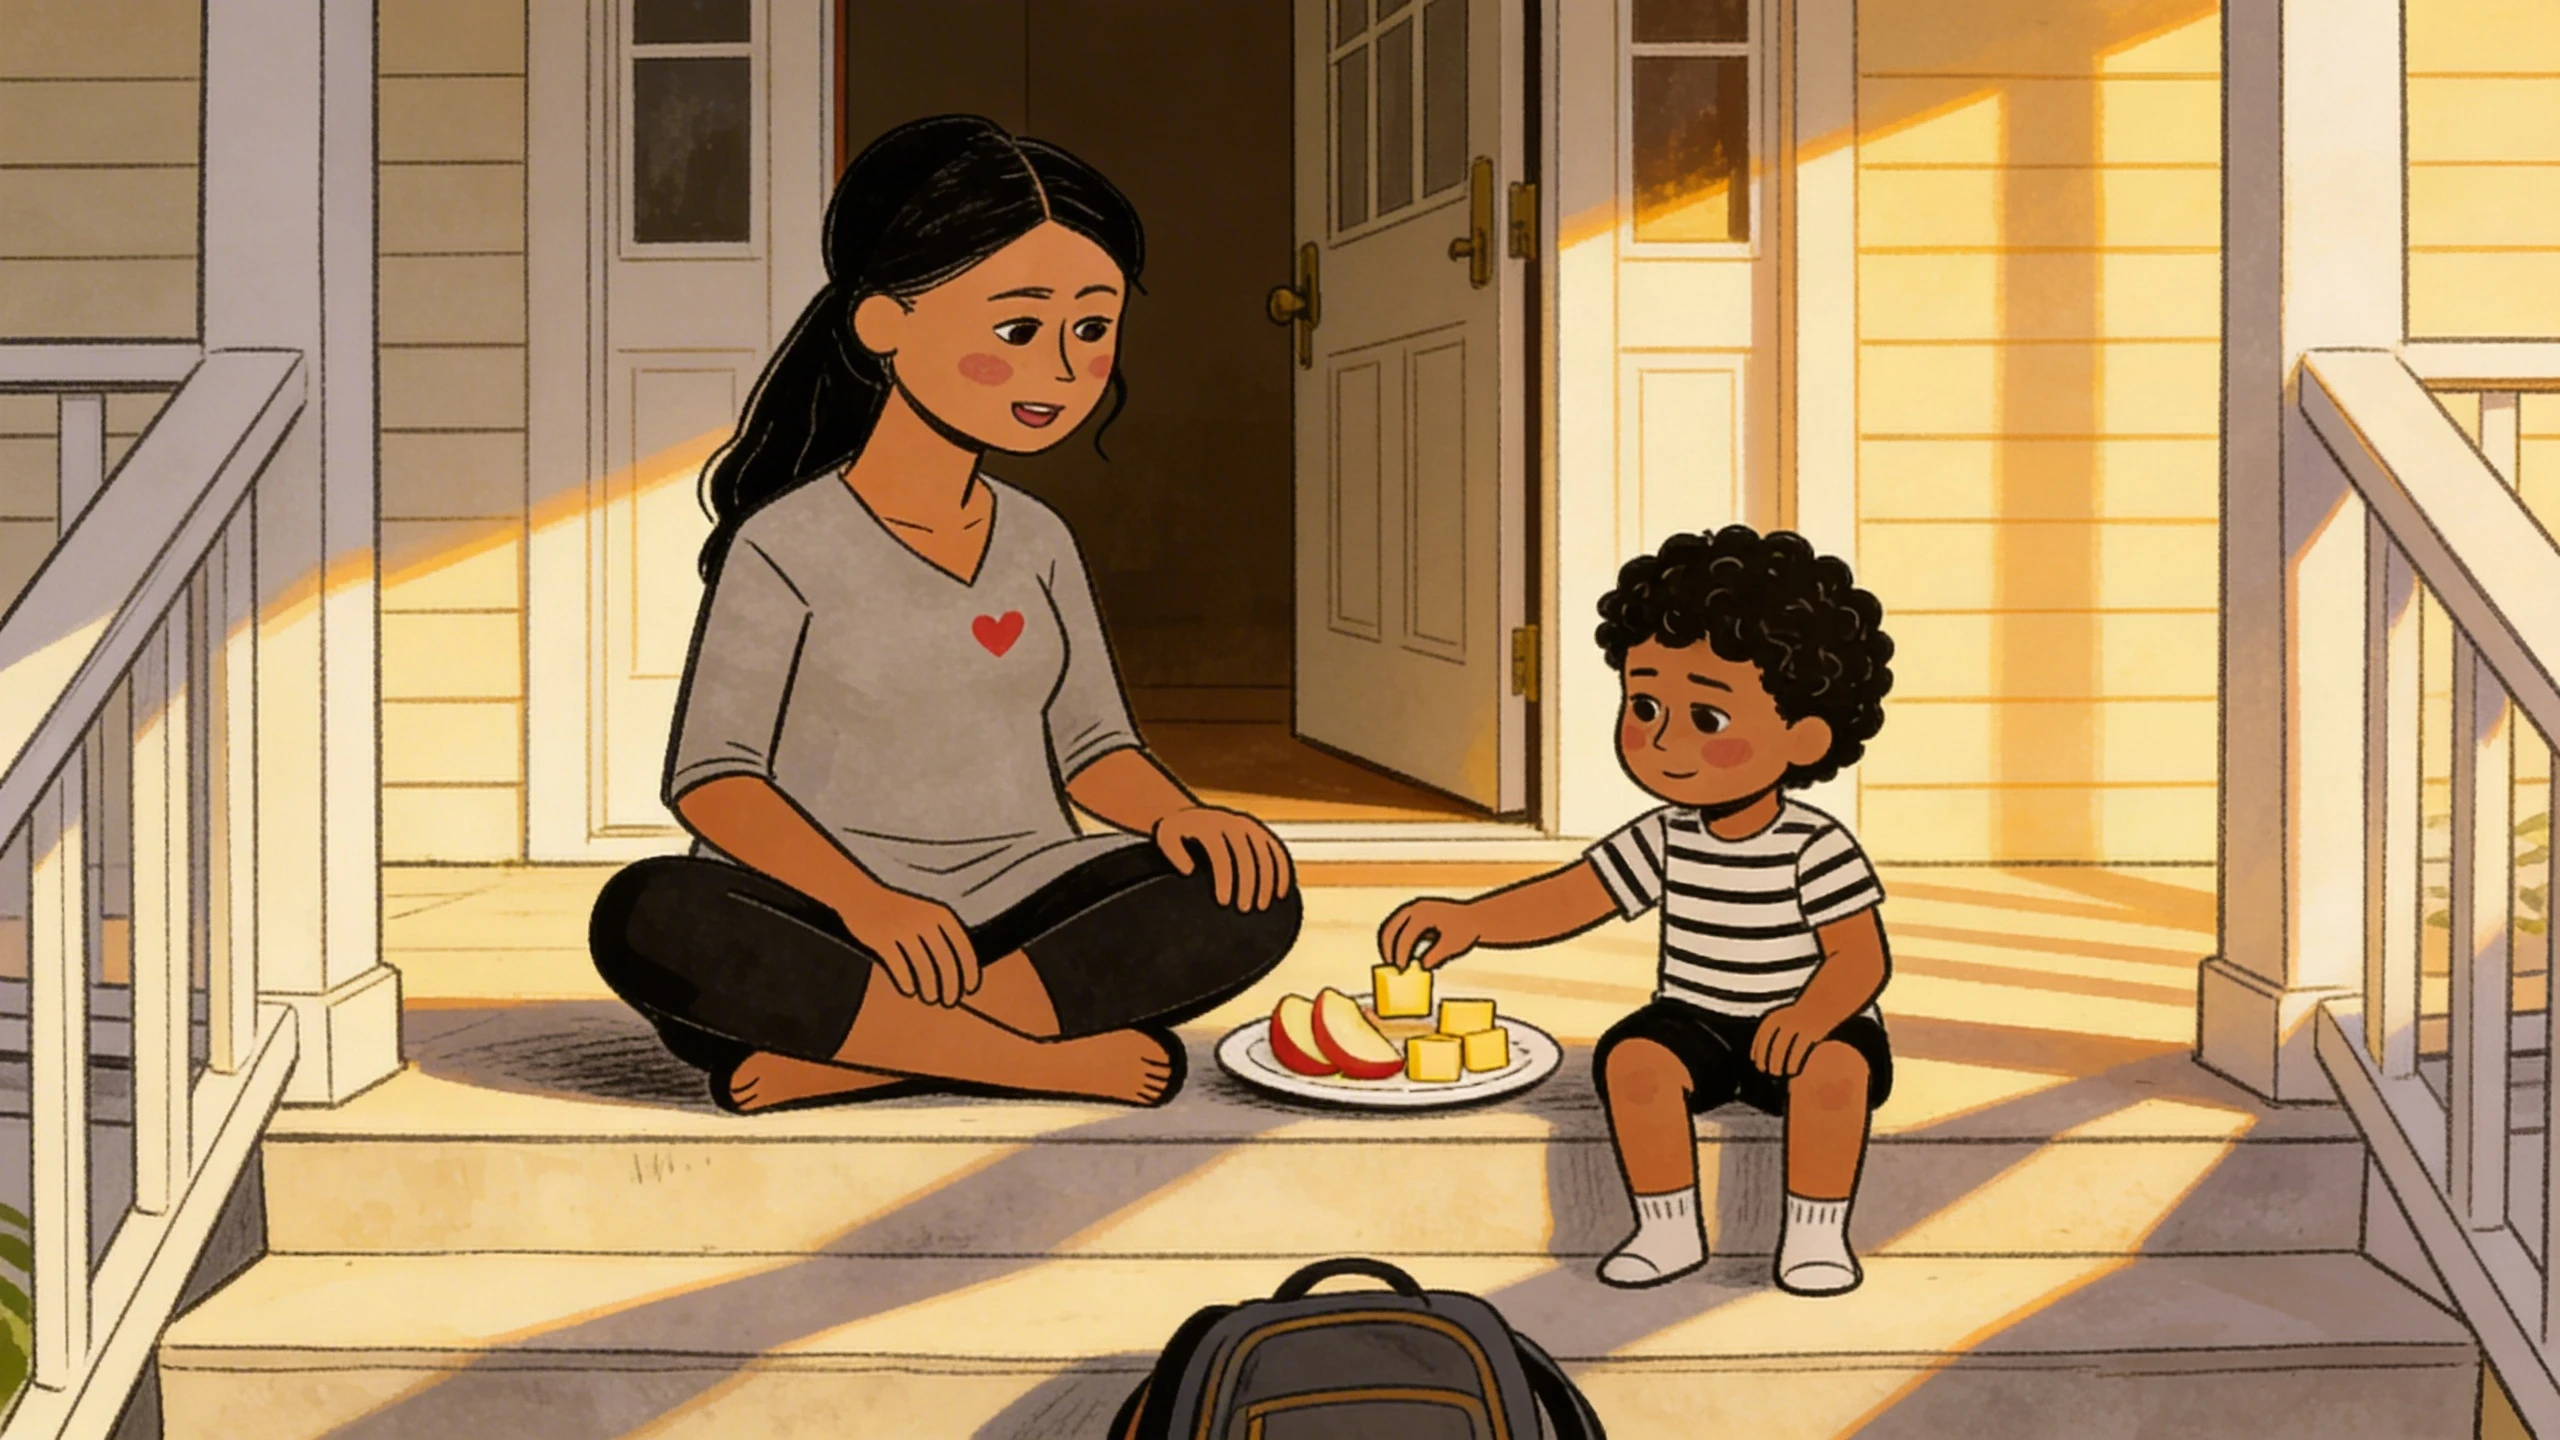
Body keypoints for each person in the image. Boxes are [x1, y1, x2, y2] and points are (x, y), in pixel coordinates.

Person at [588, 114, 1301, 1115]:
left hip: (1019, 915)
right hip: (832, 916)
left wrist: (1181, 815)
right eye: (1018, 330)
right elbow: (713, 781)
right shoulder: (786, 542)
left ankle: (874, 1052)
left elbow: (1093, 748)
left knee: (1246, 890)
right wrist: (870, 904)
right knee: (650, 917)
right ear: (884, 324)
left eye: (1091, 330)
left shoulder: (1037, 538)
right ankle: (1038, 1060)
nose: (1062, 371)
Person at [1375, 526, 1896, 1294]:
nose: (1664, 740)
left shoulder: (1814, 846)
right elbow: (1574, 896)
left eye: (1707, 719)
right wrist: (1474, 920)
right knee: (1635, 1062)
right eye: (1645, 705)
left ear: (1804, 737)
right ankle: (1666, 1225)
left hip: (1814, 1020)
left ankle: (1816, 1234)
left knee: (1835, 1077)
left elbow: (1861, 958)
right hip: (1698, 1019)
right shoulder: (1665, 835)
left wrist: (1812, 1015)